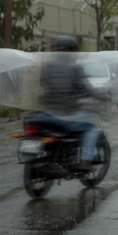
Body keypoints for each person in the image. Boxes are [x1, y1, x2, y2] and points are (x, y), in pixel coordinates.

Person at [37, 35, 103, 171]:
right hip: (65, 115)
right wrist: (102, 96)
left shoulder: (47, 66)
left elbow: (44, 84)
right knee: (93, 126)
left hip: (43, 114)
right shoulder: (75, 68)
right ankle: (86, 160)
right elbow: (87, 88)